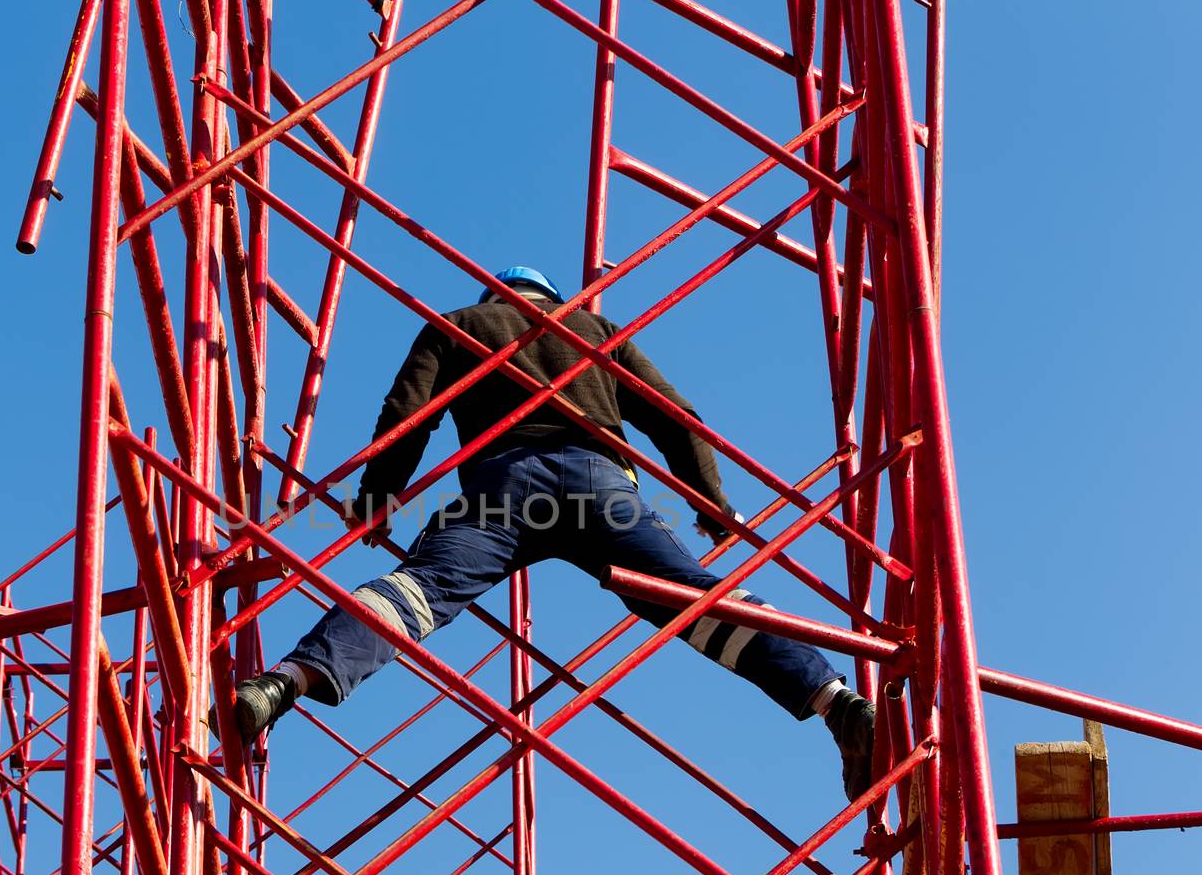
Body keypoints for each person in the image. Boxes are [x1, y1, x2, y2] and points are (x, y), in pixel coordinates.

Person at [226, 266, 876, 799]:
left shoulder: (462, 324)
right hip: (603, 490)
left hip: (502, 488)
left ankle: (287, 680)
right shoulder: (597, 332)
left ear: (495, 297)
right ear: (553, 299)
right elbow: (675, 417)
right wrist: (709, 500)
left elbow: (408, 412)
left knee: (417, 593)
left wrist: (377, 497)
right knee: (695, 598)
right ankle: (835, 700)